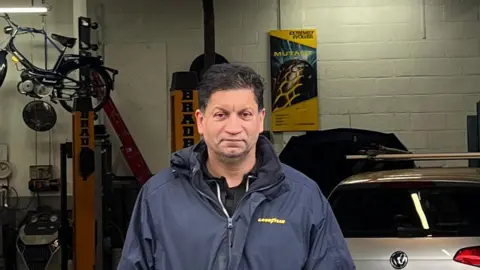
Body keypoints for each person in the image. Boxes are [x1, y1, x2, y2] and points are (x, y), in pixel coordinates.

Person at [117, 63, 356, 269]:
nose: (233, 128)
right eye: (221, 115)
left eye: (244, 114)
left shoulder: (303, 197)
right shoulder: (159, 196)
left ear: (260, 120)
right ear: (201, 121)